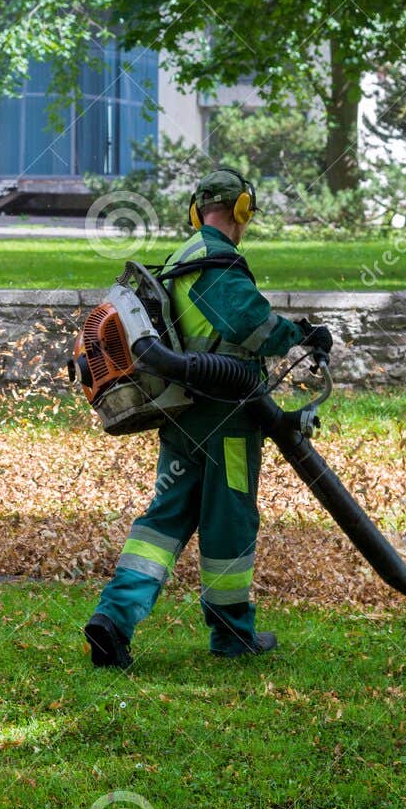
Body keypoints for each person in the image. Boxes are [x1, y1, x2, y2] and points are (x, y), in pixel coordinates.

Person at [84, 167, 332, 669]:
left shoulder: (182, 257)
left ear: (197, 211)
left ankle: (113, 619)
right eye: (248, 213)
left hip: (183, 412)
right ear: (242, 210)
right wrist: (302, 333)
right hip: (228, 417)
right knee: (230, 522)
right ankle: (232, 635)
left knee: (165, 519)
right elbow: (250, 324)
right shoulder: (219, 261)